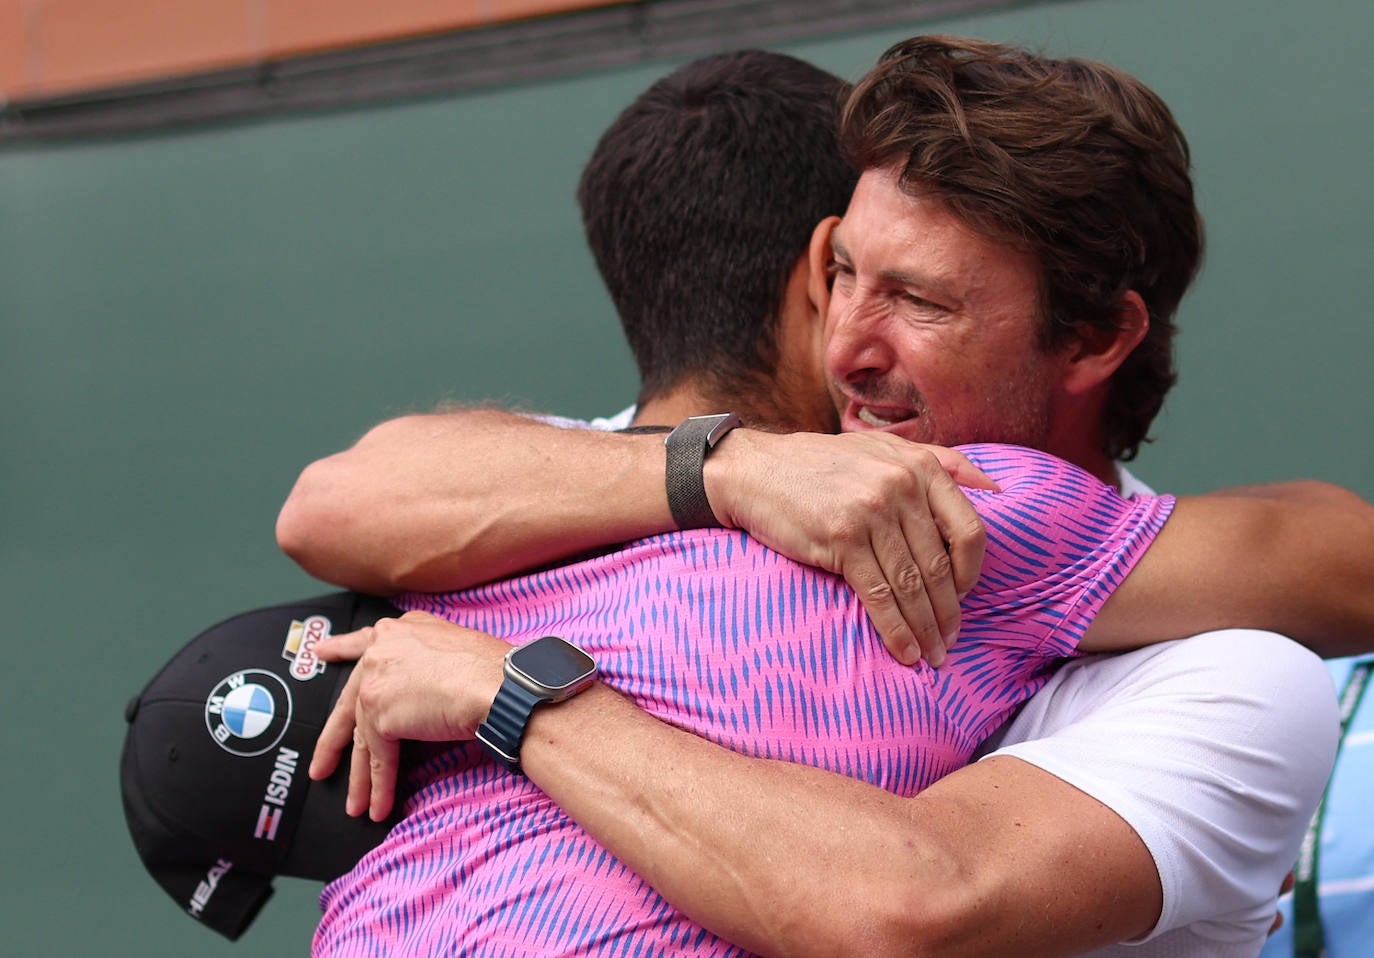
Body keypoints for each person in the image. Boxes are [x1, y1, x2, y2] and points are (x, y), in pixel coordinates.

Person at [283, 39, 1374, 956]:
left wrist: (514, 694)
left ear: (1095, 337)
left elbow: (909, 905)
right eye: (847, 273)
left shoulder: (1226, 673)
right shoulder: (728, 476)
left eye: (920, 300)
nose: (845, 344)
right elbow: (332, 504)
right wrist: (726, 469)